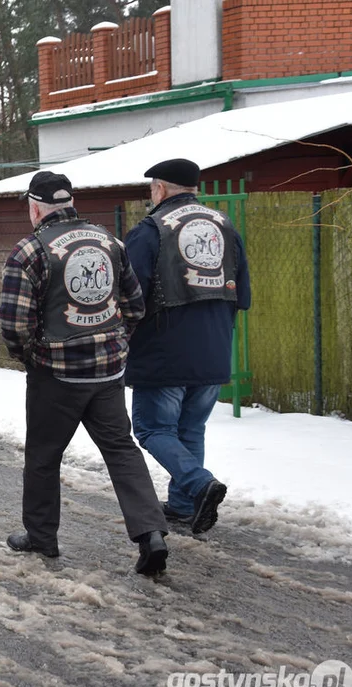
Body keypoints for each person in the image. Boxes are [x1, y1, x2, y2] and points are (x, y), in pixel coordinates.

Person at [0, 171, 169, 575]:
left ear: (34, 207)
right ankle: (151, 534)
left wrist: (31, 357)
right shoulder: (111, 242)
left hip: (55, 374)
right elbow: (135, 305)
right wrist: (115, 343)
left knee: (43, 456)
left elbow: (14, 324)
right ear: (70, 203)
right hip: (107, 372)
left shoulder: (29, 251)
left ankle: (42, 537)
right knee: (121, 450)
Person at [125, 159, 252, 534]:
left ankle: (199, 485)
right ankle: (182, 505)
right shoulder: (226, 228)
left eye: (152, 188)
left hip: (164, 350)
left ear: (160, 189)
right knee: (191, 428)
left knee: (151, 428)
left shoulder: (150, 230)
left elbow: (133, 295)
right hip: (214, 347)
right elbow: (242, 295)